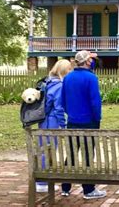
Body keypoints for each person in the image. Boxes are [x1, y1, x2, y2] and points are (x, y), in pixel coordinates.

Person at [61, 50, 106, 199]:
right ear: (87, 62)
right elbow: (95, 102)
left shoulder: (67, 78)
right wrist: (97, 119)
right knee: (87, 154)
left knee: (72, 152)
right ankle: (88, 189)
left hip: (72, 121)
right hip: (89, 121)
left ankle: (65, 187)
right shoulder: (91, 78)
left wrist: (71, 114)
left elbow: (63, 101)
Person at [36, 59, 72, 193]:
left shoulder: (47, 82)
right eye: (69, 69)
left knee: (42, 149)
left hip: (42, 119)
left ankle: (41, 179)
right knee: (49, 150)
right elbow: (59, 108)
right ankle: (42, 182)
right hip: (52, 121)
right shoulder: (59, 86)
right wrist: (63, 124)